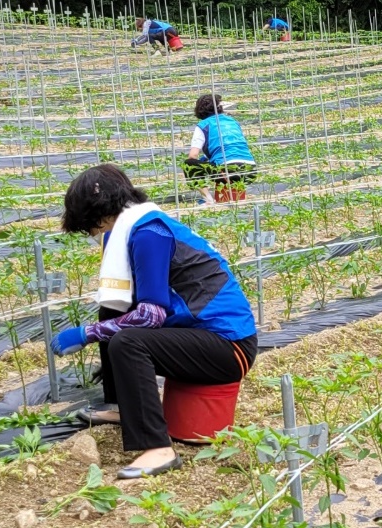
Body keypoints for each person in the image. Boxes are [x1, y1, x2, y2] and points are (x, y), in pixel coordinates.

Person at [53, 164, 258, 479]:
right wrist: (100, 327)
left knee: (127, 341)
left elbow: (151, 315)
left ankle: (159, 448)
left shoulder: (150, 233)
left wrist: (86, 334)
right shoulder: (140, 226)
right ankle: (121, 407)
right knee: (113, 312)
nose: (92, 234)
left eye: (89, 225)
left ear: (100, 213)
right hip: (202, 336)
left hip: (230, 347)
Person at [181, 93, 256, 204]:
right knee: (214, 161)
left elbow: (193, 155)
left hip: (226, 171)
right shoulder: (232, 121)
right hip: (250, 171)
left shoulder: (203, 125)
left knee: (189, 164)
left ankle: (208, 199)